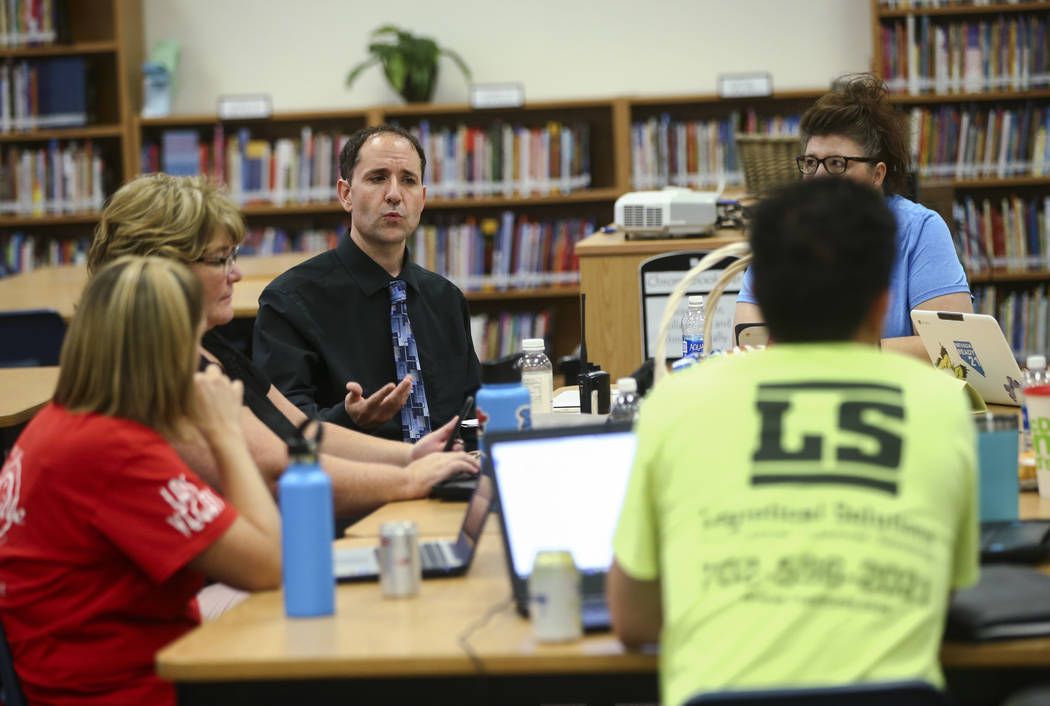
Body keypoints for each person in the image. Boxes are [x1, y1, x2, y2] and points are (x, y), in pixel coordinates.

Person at [609, 178, 978, 705]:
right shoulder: (942, 405)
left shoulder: (674, 404)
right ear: (881, 304)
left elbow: (633, 620)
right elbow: (940, 595)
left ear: (759, 299)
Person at [86, 174, 478, 518]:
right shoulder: (159, 371)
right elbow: (278, 470)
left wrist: (411, 455)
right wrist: (409, 479)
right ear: (164, 271)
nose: (236, 274)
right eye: (221, 260)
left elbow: (302, 430)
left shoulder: (209, 347)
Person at [0, 256, 281, 705]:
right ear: (165, 351)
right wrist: (227, 434)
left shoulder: (58, 422)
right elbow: (270, 566)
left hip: (80, 666)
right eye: (192, 342)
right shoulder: (115, 451)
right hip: (132, 689)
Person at [253, 125, 482, 443]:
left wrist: (475, 439)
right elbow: (281, 425)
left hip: (449, 469)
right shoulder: (289, 300)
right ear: (346, 194)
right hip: (351, 470)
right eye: (377, 178)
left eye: (408, 181)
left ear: (422, 199)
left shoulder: (446, 299)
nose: (394, 194)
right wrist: (349, 419)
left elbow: (471, 410)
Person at [733, 73, 972, 360]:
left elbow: (953, 346)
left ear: (877, 174)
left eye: (837, 164)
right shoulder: (785, 229)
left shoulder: (919, 230)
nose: (818, 177)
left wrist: (829, 356)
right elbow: (749, 342)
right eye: (810, 163)